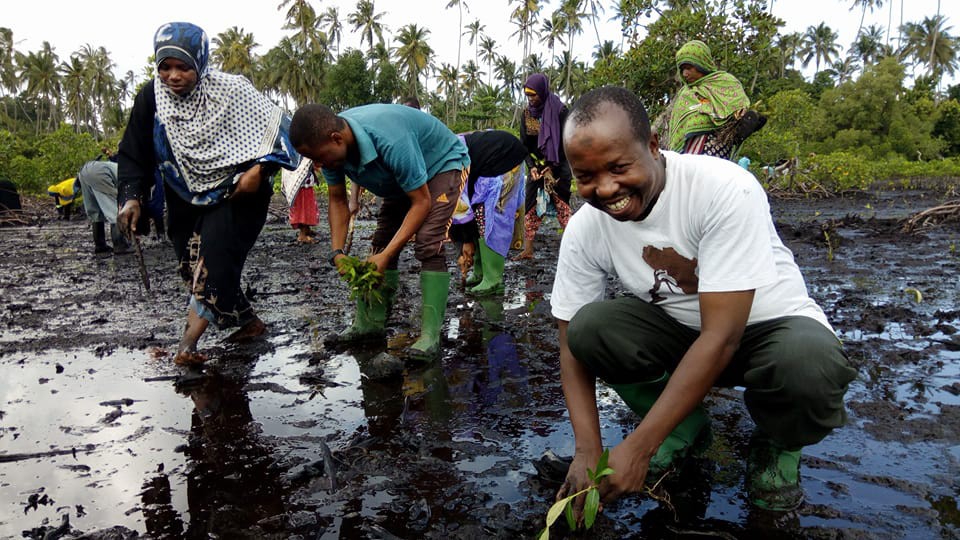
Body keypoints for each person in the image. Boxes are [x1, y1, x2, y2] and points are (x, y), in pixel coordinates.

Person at [550, 86, 856, 516]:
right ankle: (686, 430)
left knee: (809, 364)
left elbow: (723, 337)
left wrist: (638, 447)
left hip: (762, 331)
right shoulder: (585, 229)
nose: (605, 189)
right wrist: (587, 450)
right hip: (682, 334)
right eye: (586, 177)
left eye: (619, 167)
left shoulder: (722, 188)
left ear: (654, 146)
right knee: (589, 329)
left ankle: (778, 444)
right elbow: (569, 348)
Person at [116, 22, 302, 366]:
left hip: (238, 192)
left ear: (200, 64)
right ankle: (248, 323)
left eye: (183, 67)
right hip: (183, 193)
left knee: (214, 260)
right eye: (165, 67)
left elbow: (283, 133)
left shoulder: (231, 91)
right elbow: (133, 152)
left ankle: (187, 345)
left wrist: (258, 172)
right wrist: (131, 197)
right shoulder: (151, 97)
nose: (173, 76)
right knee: (190, 263)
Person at [290, 103, 469, 363]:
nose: (318, 165)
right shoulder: (328, 149)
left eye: (318, 158)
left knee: (429, 240)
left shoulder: (390, 139)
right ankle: (369, 324)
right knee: (380, 242)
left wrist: (386, 257)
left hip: (441, 165)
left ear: (336, 138)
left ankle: (430, 336)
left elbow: (421, 202)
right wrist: (337, 252)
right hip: (399, 179)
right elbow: (338, 199)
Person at [449, 130, 527, 296]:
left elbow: (459, 207)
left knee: (488, 215)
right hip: (488, 162)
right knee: (477, 213)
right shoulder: (441, 159)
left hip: (504, 158)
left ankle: (493, 279)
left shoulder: (447, 161)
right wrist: (464, 243)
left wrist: (466, 241)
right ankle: (480, 272)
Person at [668, 40, 763, 159]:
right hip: (689, 153)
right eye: (682, 70)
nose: (685, 74)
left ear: (701, 63)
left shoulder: (726, 81)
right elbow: (681, 126)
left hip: (718, 147)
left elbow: (738, 106)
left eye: (688, 68)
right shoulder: (685, 93)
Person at [515, 73, 573, 260]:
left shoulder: (560, 111)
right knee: (533, 206)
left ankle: (573, 249)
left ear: (542, 91)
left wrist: (552, 168)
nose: (531, 99)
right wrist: (531, 166)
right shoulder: (526, 115)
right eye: (528, 96)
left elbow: (567, 141)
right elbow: (523, 145)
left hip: (558, 167)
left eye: (534, 95)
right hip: (537, 169)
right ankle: (528, 249)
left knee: (562, 207)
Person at [77, 157, 132, 255]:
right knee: (114, 211)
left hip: (84, 171)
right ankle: (120, 245)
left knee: (95, 211)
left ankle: (100, 245)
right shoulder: (130, 175)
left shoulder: (118, 167)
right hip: (99, 172)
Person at [281, 158, 320, 244]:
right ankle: (302, 234)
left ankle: (306, 229)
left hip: (304, 178)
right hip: (297, 176)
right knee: (302, 207)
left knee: (307, 206)